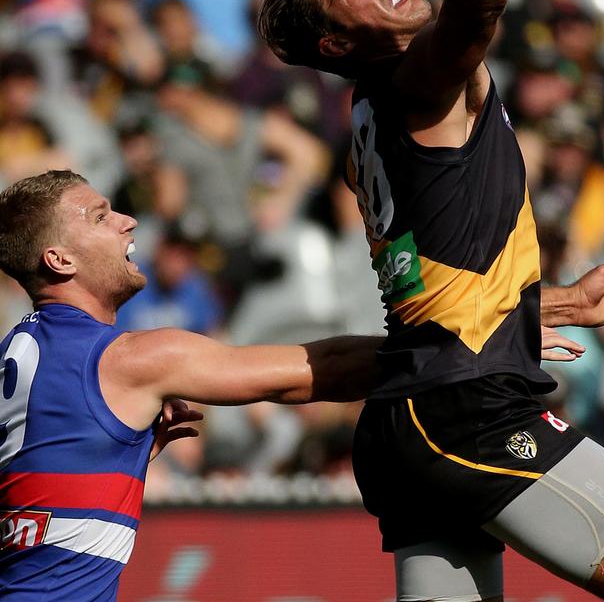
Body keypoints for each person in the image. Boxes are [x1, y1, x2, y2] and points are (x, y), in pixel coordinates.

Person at [257, 0, 604, 602]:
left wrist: (560, 306)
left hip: (415, 420)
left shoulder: (368, 118)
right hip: (470, 411)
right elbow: (479, 4)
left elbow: (439, 282)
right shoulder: (412, 84)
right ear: (337, 42)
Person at [0, 168, 381, 599]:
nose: (128, 220)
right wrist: (438, 347)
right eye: (99, 217)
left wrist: (120, 457)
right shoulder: (128, 359)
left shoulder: (12, 353)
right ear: (60, 260)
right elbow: (319, 369)